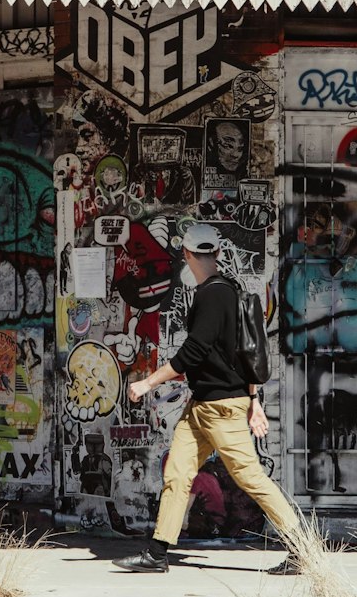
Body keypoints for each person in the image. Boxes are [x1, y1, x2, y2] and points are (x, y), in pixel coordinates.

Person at [116, 222, 302, 574]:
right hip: (202, 406)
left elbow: (193, 352)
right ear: (216, 253)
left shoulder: (212, 295)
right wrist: (255, 400)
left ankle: (301, 546)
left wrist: (147, 383)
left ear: (186, 255)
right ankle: (157, 553)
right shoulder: (229, 290)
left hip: (220, 407)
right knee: (178, 473)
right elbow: (245, 353)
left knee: (249, 477)